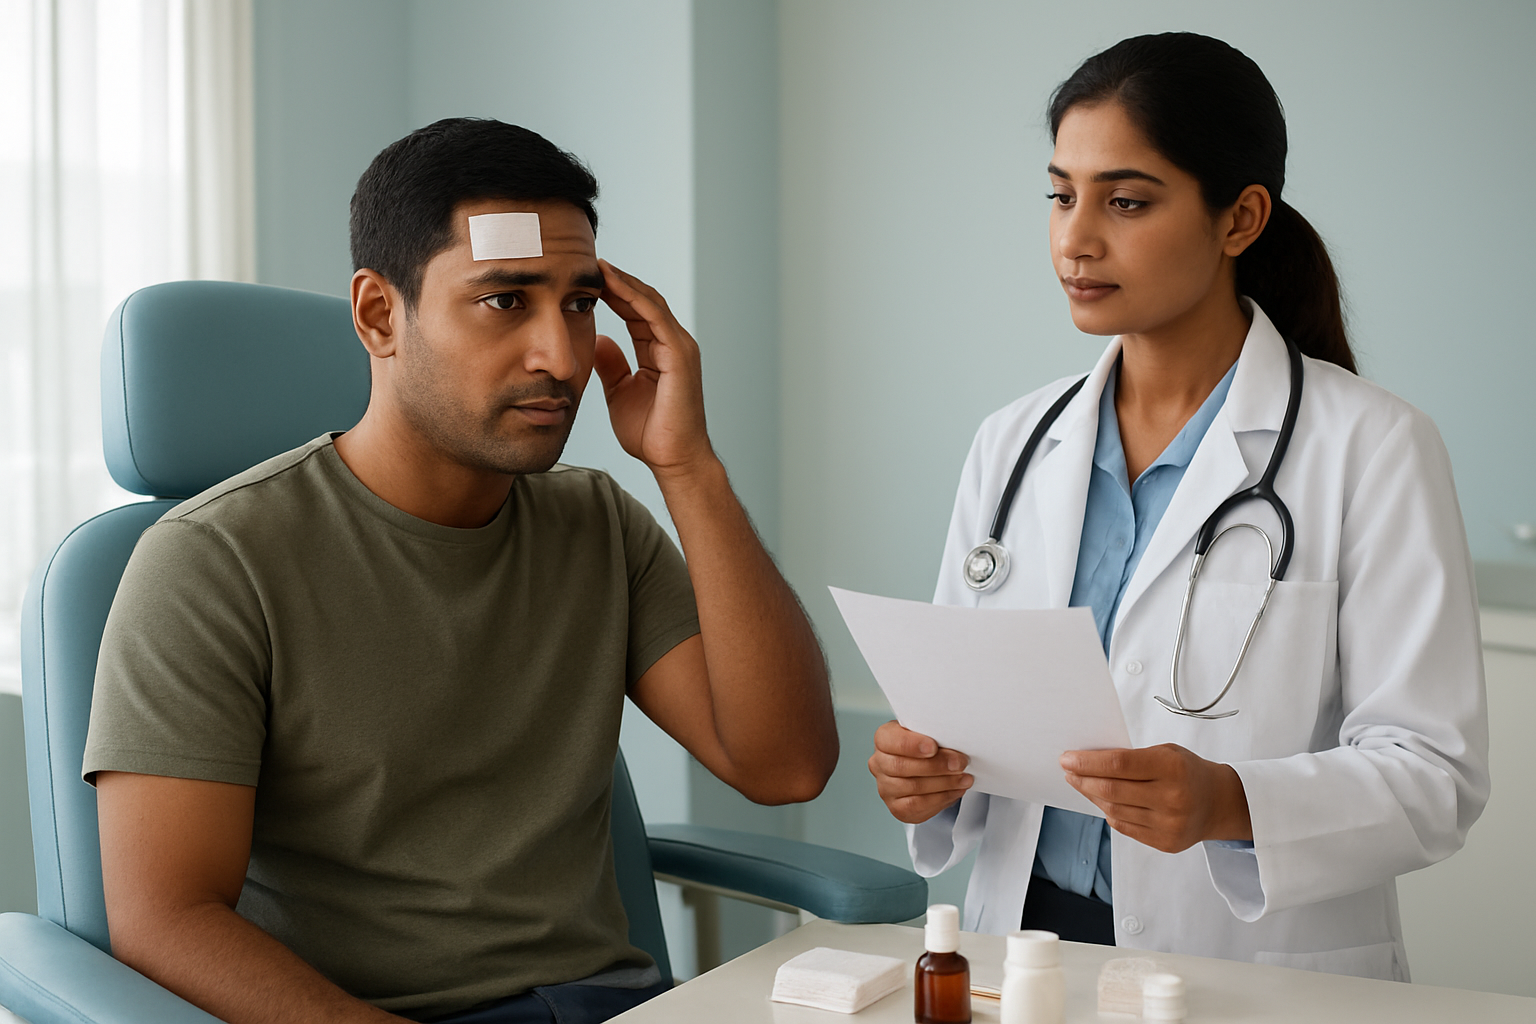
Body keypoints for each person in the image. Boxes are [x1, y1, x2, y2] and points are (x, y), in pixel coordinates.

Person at [83, 118, 838, 1024]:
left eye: (578, 302)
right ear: (377, 315)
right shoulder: (213, 561)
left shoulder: (596, 522)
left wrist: (688, 467)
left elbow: (786, 766)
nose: (561, 359)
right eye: (504, 300)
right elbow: (165, 919)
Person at [868, 33, 1488, 980]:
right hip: (1023, 949)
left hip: (1250, 967)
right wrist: (926, 776)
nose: (1076, 237)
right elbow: (966, 712)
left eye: (1125, 201)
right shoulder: (1013, 442)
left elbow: (1435, 776)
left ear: (1240, 219)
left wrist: (1230, 804)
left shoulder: (1375, 448)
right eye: (1060, 194)